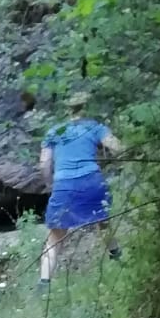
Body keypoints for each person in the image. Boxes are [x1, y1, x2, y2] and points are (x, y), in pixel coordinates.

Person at [39, 92, 122, 285]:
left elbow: (44, 164)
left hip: (64, 184)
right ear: (86, 108)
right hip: (92, 180)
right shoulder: (94, 127)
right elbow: (117, 147)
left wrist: (51, 185)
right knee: (102, 222)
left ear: (67, 110)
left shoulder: (55, 132)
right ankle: (119, 262)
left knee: (55, 236)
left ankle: (44, 285)